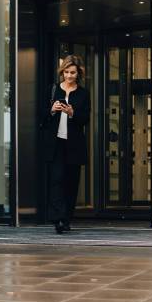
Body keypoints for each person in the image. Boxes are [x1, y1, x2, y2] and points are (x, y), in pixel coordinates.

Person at [42, 55, 90, 234]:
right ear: (62, 72)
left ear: (78, 74)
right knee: (56, 180)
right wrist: (52, 111)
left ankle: (67, 218)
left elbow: (85, 119)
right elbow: (41, 116)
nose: (70, 76)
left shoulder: (83, 93)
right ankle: (58, 219)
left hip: (74, 146)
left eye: (73, 73)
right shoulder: (52, 90)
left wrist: (72, 112)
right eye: (67, 72)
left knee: (71, 182)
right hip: (55, 145)